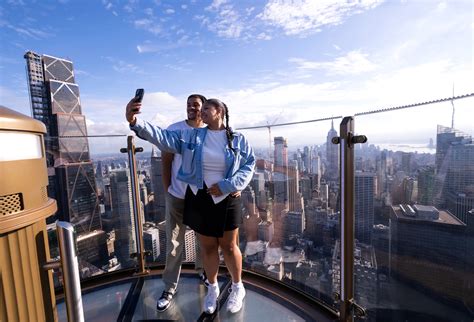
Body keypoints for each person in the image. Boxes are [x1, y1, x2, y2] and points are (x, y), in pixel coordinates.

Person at [126, 97, 255, 315]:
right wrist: (135, 121)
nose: (201, 112)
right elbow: (163, 138)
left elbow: (248, 164)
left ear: (220, 111)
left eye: (207, 108)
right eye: (201, 108)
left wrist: (228, 185)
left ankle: (237, 287)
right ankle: (212, 289)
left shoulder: (237, 138)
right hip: (199, 196)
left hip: (226, 197)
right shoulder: (192, 136)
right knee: (207, 247)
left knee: (230, 247)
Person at [157, 94, 208, 312]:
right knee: (174, 243)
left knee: (204, 240)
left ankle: (205, 272)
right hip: (177, 195)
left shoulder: (211, 131)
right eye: (188, 105)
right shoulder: (174, 129)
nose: (191, 108)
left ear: (203, 108)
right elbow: (166, 161)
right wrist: (168, 190)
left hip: (201, 196)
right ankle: (170, 287)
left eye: (195, 105)